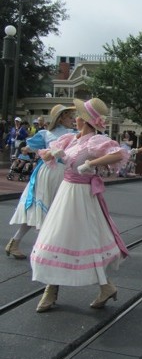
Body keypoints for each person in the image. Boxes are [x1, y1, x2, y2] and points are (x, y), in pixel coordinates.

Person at [30, 98, 130, 313]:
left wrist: (91, 163)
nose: (75, 118)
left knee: (83, 241)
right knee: (56, 237)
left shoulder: (94, 141)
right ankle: (54, 287)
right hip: (66, 193)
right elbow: (47, 154)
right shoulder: (70, 140)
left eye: (78, 115)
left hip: (83, 196)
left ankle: (102, 287)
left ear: (85, 119)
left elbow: (119, 154)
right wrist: (55, 153)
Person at [5, 105, 76, 260]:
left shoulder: (75, 134)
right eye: (71, 117)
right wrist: (42, 151)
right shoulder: (47, 133)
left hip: (63, 173)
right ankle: (44, 251)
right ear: (61, 117)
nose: (74, 120)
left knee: (48, 212)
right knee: (45, 212)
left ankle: (15, 243)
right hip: (50, 173)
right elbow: (26, 149)